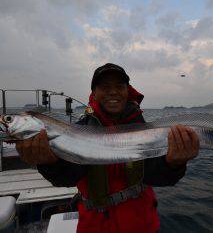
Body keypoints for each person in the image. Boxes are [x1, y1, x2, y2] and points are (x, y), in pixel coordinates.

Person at [16, 63, 199, 233]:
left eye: (119, 86)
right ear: (93, 93)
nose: (113, 92)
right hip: (94, 225)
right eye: (104, 87)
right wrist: (49, 163)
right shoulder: (78, 131)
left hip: (142, 223)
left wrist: (174, 163)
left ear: (128, 91)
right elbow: (69, 177)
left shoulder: (144, 130)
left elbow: (157, 177)